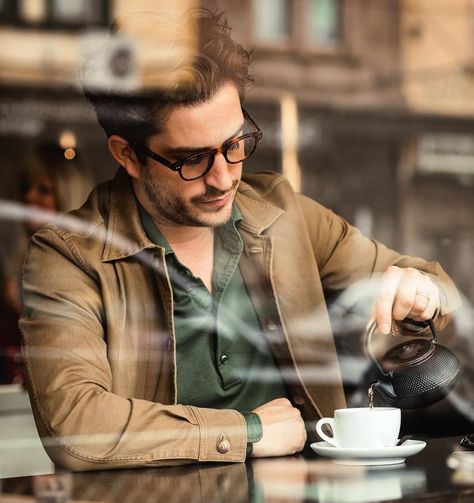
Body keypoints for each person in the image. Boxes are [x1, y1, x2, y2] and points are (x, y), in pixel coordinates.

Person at [19, 10, 461, 470]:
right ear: (127, 155)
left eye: (235, 144)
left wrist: (421, 292)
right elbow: (76, 425)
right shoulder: (68, 256)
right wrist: (248, 430)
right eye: (191, 159)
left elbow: (435, 286)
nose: (223, 178)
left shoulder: (283, 213)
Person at [0, 143, 92, 384]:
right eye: (26, 188)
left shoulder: (83, 265)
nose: (30, 196)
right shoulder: (22, 260)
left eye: (44, 190)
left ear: (67, 196)